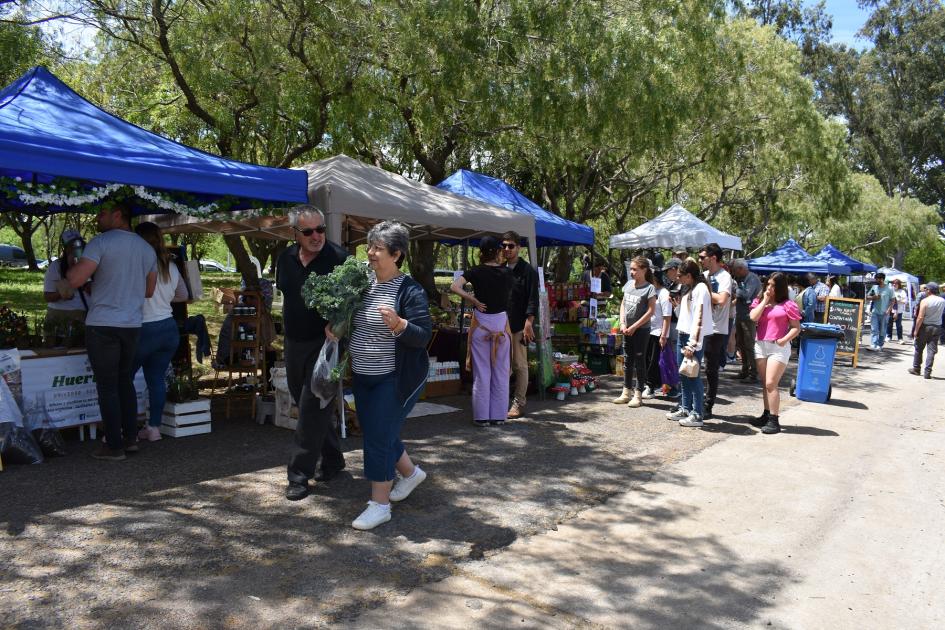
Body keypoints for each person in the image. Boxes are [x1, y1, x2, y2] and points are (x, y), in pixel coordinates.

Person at [341, 221, 431, 530]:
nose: (370, 253)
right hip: (362, 374)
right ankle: (410, 473)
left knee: (378, 437)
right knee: (377, 430)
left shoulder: (410, 290)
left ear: (397, 254)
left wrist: (399, 325)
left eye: (378, 249)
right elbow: (350, 318)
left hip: (394, 377)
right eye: (370, 247)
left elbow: (422, 336)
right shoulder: (365, 283)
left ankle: (379, 505)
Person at [66, 203, 157, 461]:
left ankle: (113, 446)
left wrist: (74, 266)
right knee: (124, 381)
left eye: (102, 213)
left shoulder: (100, 242)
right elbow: (148, 291)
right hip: (131, 324)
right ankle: (130, 438)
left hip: (103, 323)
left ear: (119, 215)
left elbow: (75, 280)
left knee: (107, 386)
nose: (97, 217)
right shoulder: (146, 248)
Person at [278, 205, 349, 501]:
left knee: (311, 406)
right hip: (294, 343)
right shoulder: (285, 259)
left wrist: (340, 322)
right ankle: (333, 459)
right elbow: (286, 295)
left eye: (321, 229)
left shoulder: (340, 259)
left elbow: (355, 302)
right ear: (295, 233)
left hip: (327, 346)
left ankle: (298, 475)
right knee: (308, 402)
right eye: (308, 232)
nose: (317, 236)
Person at [132, 222, 189, 442]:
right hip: (168, 327)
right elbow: (183, 295)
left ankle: (126, 430)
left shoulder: (138, 264)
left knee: (124, 378)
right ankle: (154, 427)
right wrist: (164, 299)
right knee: (155, 379)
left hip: (144, 327)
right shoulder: (170, 266)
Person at [451, 236, 514, 426]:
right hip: (502, 327)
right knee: (501, 372)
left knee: (482, 372)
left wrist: (473, 300)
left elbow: (454, 286)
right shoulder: (508, 272)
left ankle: (481, 417)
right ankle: (499, 416)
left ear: (481, 252)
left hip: (481, 326)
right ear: (498, 251)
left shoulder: (475, 271)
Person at [749, 272, 801, 435]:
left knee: (771, 383)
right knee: (765, 383)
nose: (770, 288)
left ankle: (774, 420)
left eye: (774, 285)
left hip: (778, 347)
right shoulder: (760, 301)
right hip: (761, 345)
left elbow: (796, 328)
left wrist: (784, 340)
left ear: (781, 288)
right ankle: (766, 414)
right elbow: (753, 317)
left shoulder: (788, 304)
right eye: (768, 284)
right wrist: (765, 300)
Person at [667, 259, 713, 427]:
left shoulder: (700, 289)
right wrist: (677, 307)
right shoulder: (690, 288)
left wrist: (692, 344)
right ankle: (686, 408)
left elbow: (700, 319)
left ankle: (698, 413)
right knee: (683, 374)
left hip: (692, 338)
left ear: (689, 275)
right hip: (684, 334)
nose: (678, 278)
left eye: (680, 275)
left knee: (692, 376)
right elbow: (687, 316)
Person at [501, 232, 539, 419]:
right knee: (502, 365)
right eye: (504, 246)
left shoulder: (528, 271)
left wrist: (528, 323)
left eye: (511, 246)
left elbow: (533, 299)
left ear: (519, 248)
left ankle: (519, 403)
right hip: (500, 325)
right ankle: (500, 401)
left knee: (520, 365)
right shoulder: (500, 269)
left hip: (518, 325)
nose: (507, 249)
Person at [612, 256, 657, 407]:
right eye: (630, 269)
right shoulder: (629, 284)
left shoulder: (649, 288)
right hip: (627, 329)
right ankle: (626, 391)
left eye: (635, 269)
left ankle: (638, 394)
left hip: (641, 331)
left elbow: (651, 311)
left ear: (644, 270)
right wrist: (623, 322)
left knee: (639, 361)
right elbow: (623, 304)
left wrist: (635, 326)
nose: (632, 272)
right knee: (627, 360)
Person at [698, 243, 731, 419]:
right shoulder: (702, 275)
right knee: (694, 364)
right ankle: (692, 401)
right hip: (699, 325)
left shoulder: (724, 276)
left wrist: (703, 293)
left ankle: (708, 405)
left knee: (711, 368)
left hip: (717, 329)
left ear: (713, 258)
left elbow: (722, 299)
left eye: (703, 257)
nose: (700, 260)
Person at [43, 229, 88, 340]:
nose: (77, 249)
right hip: (59, 315)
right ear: (66, 248)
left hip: (82, 315)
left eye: (80, 244)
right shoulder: (56, 266)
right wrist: (63, 292)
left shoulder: (90, 264)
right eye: (72, 246)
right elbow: (47, 296)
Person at [642, 267, 671, 400]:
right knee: (648, 359)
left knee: (654, 361)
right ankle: (651, 384)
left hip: (658, 331)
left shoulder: (664, 293)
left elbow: (667, 316)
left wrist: (663, 335)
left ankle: (650, 386)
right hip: (648, 330)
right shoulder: (651, 291)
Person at [730, 258, 761, 381]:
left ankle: (754, 373)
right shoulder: (742, 279)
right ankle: (745, 370)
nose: (734, 274)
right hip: (741, 315)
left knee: (749, 345)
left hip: (749, 317)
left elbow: (747, 295)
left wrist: (735, 290)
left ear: (741, 269)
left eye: (735, 271)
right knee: (741, 344)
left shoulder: (752, 278)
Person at [908, 282, 944, 379]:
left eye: (926, 289)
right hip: (937, 327)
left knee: (919, 348)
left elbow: (920, 317)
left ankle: (916, 368)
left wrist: (916, 330)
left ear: (929, 290)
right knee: (931, 351)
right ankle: (927, 372)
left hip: (925, 326)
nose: (925, 290)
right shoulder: (942, 301)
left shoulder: (925, 301)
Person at [865, 272, 896, 351]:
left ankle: (880, 345)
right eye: (876, 279)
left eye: (877, 279)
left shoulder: (889, 289)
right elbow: (867, 297)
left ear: (882, 279)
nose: (876, 280)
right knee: (874, 329)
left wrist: (889, 309)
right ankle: (873, 345)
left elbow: (893, 300)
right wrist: (873, 297)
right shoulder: (874, 287)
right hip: (875, 312)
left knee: (882, 330)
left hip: (884, 313)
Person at [886, 279, 908, 344]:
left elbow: (905, 301)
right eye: (893, 283)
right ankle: (888, 336)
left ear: (899, 284)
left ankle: (900, 338)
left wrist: (898, 301)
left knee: (899, 325)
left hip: (899, 311)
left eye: (896, 284)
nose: (894, 285)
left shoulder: (902, 292)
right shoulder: (890, 291)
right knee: (889, 324)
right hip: (890, 310)